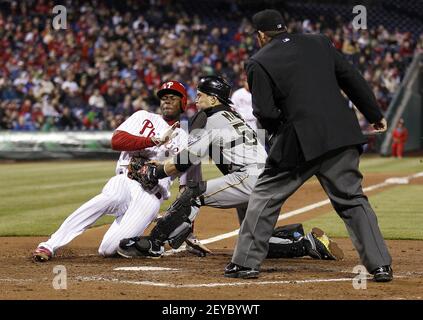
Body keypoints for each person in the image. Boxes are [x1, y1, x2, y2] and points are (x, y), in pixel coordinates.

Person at [225, 9, 392, 282]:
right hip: (341, 135)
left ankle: (245, 263)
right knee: (352, 200)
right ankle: (381, 265)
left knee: (264, 198)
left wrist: (282, 131)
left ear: (261, 35)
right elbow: (351, 77)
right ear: (284, 27)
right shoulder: (320, 42)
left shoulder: (258, 61)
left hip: (298, 141)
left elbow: (265, 113)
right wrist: (374, 114)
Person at [115, 75, 343, 263]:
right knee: (250, 241)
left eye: (201, 95)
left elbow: (185, 161)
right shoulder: (232, 116)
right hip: (265, 180)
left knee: (194, 193)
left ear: (213, 99)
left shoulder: (210, 119)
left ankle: (153, 243)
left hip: (250, 179)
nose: (196, 100)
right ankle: (304, 243)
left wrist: (156, 172)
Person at [32, 81, 188, 262]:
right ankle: (50, 245)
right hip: (126, 180)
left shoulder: (185, 139)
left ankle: (155, 239)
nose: (167, 101)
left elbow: (180, 174)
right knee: (110, 197)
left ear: (183, 102)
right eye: (164, 98)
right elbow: (117, 140)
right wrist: (153, 140)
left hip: (151, 195)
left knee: (108, 249)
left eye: (173, 98)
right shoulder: (144, 116)